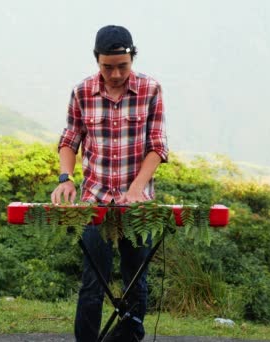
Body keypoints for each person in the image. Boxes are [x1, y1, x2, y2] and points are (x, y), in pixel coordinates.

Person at [51, 25, 168, 342]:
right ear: (96, 60)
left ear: (132, 58)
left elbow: (157, 146)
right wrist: (66, 179)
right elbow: (69, 140)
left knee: (136, 278)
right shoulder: (82, 92)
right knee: (93, 280)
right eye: (107, 66)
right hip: (94, 200)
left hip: (138, 204)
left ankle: (127, 337)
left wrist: (137, 188)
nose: (115, 74)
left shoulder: (150, 90)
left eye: (122, 66)